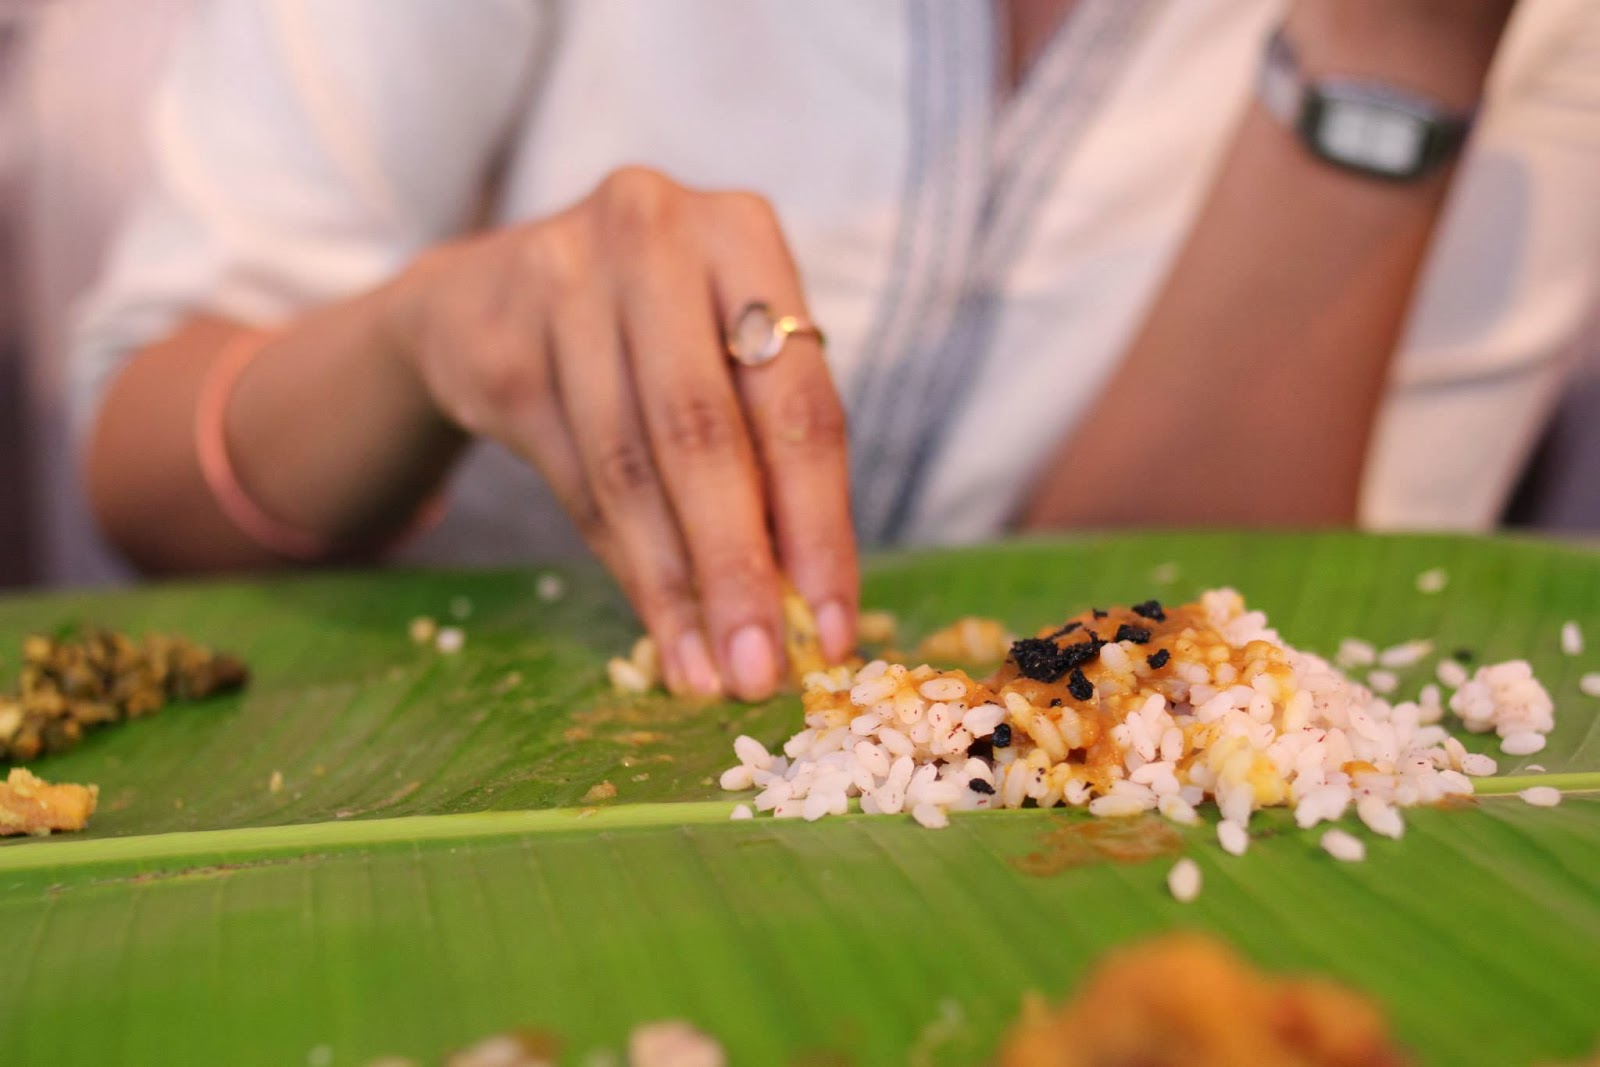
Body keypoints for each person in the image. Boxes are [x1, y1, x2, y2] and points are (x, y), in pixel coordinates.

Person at [76, 0, 1600, 702]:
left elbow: (1200, 660)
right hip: (432, 794)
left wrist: (1393, 60)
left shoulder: (1535, 36)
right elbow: (142, 465)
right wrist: (424, 338)